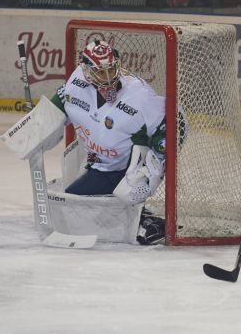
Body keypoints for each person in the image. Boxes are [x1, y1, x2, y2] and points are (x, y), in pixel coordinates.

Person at [49, 39, 167, 244]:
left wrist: (154, 165)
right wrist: (42, 122)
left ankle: (147, 221)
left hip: (128, 169)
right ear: (85, 70)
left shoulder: (139, 95)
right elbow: (61, 102)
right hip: (98, 165)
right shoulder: (77, 81)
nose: (108, 77)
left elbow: (176, 122)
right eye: (100, 72)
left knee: (85, 208)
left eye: (111, 70)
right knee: (72, 204)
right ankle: (139, 218)